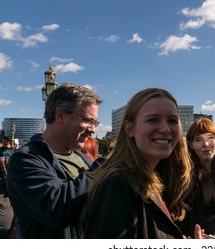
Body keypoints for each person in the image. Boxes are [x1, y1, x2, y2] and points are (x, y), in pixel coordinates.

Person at [80, 87, 197, 239]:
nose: (165, 128)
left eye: (172, 121)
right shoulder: (117, 185)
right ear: (129, 128)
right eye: (153, 120)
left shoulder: (154, 179)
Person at [7, 82, 103, 238]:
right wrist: (104, 167)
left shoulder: (84, 159)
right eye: (87, 120)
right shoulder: (25, 160)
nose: (93, 129)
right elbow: (57, 209)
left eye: (94, 122)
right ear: (60, 115)